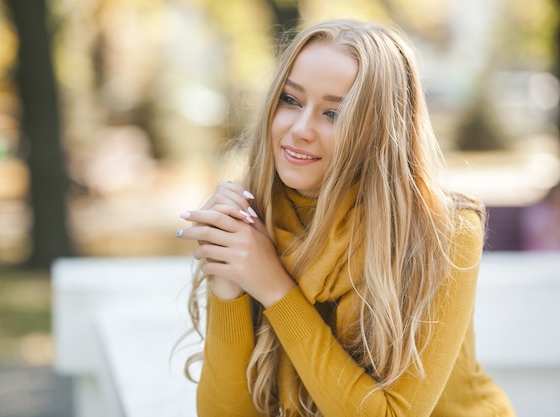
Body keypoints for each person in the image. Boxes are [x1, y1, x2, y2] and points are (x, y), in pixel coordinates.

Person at [176, 18, 516, 417]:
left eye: (334, 114)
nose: (300, 129)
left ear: (378, 133)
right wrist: (227, 278)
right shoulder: (252, 217)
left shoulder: (443, 229)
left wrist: (274, 287)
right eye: (291, 100)